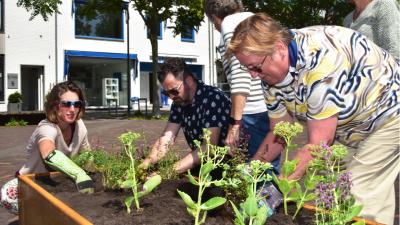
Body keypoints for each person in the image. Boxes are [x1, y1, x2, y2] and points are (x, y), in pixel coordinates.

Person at [226, 13, 400, 225]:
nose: (253, 75)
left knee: (358, 194)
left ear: (279, 48)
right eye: (247, 69)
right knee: (336, 192)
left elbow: (319, 143)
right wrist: (249, 172)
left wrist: (278, 189)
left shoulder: (320, 61)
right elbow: (279, 132)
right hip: (349, 127)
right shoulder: (269, 77)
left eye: (256, 67)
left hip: (389, 112)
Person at [204, 0, 280, 172]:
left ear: (214, 17)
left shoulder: (230, 23)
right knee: (266, 167)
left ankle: (264, 199)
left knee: (257, 174)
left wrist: (235, 124)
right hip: (269, 108)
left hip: (254, 112)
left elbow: (241, 74)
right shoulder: (250, 20)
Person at [0, 81, 94, 214]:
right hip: (33, 183)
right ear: (55, 106)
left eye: (77, 104)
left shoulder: (80, 126)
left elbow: (87, 155)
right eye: (66, 104)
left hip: (59, 182)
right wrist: (79, 174)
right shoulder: (46, 127)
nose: (72, 109)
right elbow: (48, 152)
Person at [140, 58, 231, 173]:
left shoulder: (212, 98)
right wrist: (144, 166)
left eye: (174, 91)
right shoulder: (179, 102)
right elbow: (167, 138)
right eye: (166, 93)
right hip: (204, 164)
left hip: (227, 166)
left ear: (188, 81)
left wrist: (168, 172)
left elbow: (208, 148)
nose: (171, 97)